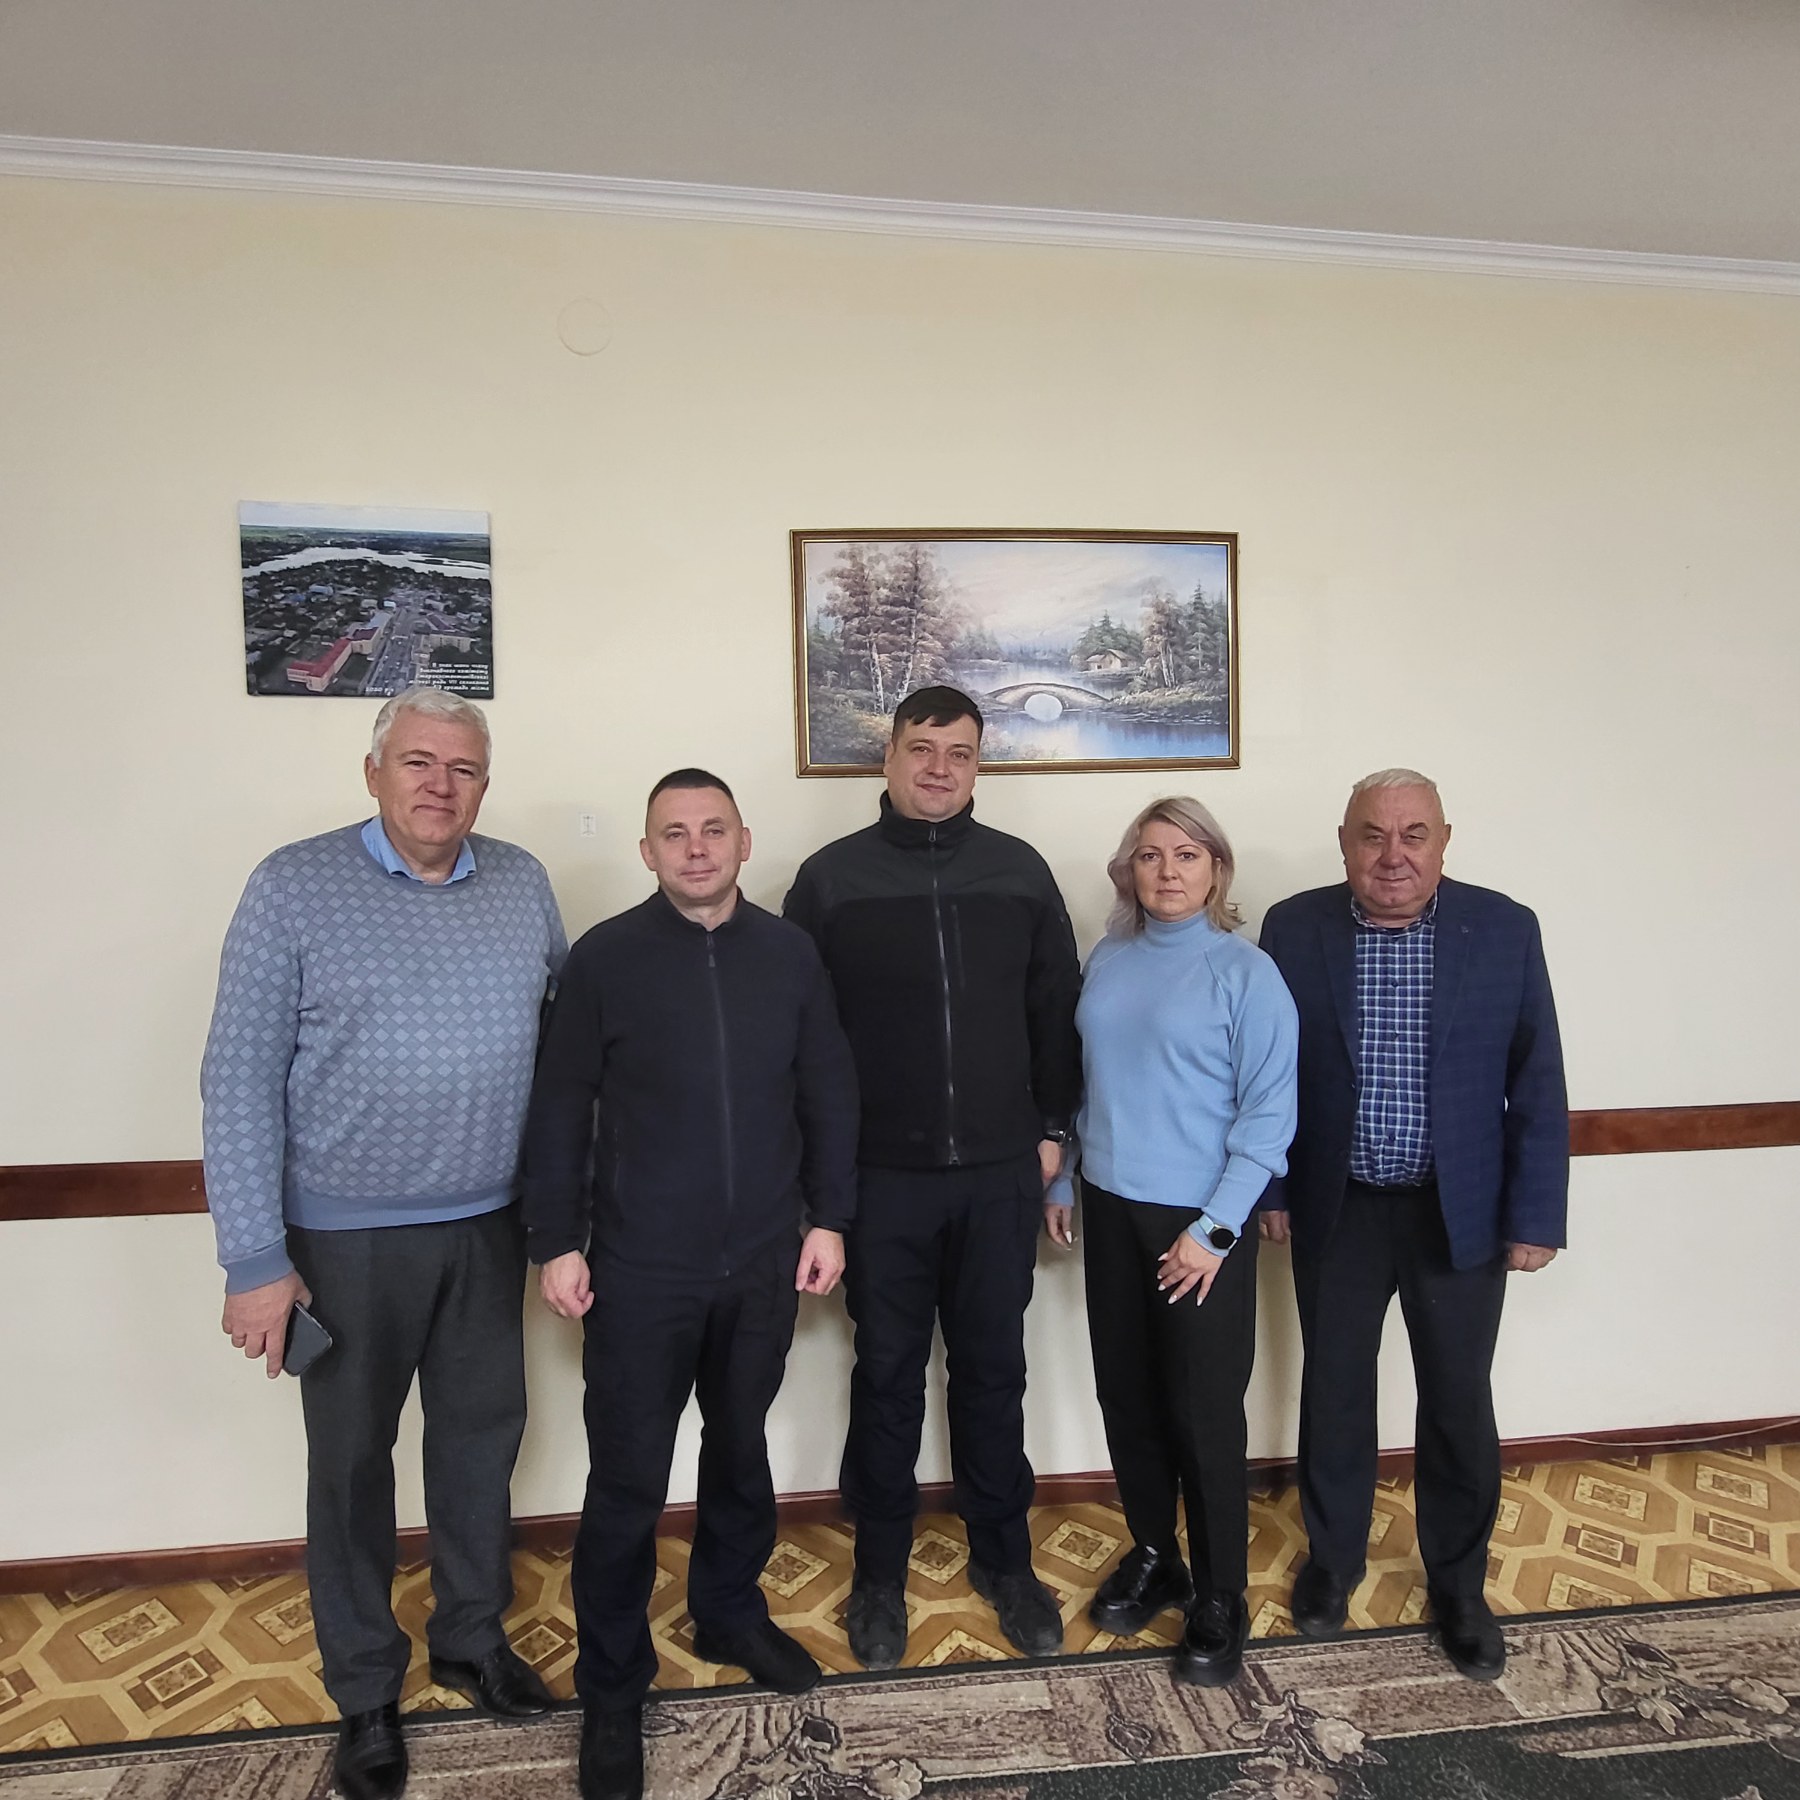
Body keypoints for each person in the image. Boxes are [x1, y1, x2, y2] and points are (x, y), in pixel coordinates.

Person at [200, 687, 567, 1800]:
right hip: (343, 1240)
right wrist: (255, 1260)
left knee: (479, 1447)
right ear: (374, 773)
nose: (439, 786)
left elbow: (565, 1050)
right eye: (417, 763)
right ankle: (365, 1688)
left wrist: (568, 1217)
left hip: (490, 1227)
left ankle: (470, 1638)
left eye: (463, 769)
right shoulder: (291, 884)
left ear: (485, 785)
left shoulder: (522, 883)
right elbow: (236, 1079)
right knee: (352, 1466)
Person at [523, 770, 859, 1800]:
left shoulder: (790, 954)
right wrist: (556, 1241)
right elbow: (561, 1103)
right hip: (639, 1271)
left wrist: (830, 1218)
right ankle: (612, 1686)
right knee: (627, 1482)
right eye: (675, 833)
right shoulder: (605, 959)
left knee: (741, 1451)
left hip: (761, 1262)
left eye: (714, 830)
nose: (697, 848)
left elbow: (828, 1090)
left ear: (744, 842)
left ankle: (727, 1612)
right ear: (648, 852)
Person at [784, 686, 1082, 1669]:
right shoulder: (830, 880)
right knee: (886, 1378)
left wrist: (1052, 1129)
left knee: (994, 1374)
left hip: (999, 1175)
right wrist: (820, 1181)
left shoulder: (1020, 871)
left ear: (978, 763)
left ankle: (1006, 1562)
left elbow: (1056, 1008)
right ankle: (879, 1575)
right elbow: (801, 1040)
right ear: (890, 758)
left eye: (959, 751)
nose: (939, 767)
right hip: (882, 1182)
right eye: (922, 748)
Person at [1257, 768, 1567, 1681]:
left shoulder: (1504, 928)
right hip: (1339, 1206)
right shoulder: (1293, 927)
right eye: (1373, 835)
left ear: (1443, 841)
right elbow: (1266, 1073)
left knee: (1459, 1401)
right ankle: (1334, 1562)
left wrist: (1535, 1216)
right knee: (1334, 1391)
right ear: (1344, 842)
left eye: (1413, 835)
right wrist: (1272, 1190)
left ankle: (1459, 1588)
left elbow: (1538, 1079)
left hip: (1457, 1211)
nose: (1393, 855)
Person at [1048, 797, 1297, 1686]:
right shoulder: (1108, 958)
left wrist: (1214, 1233)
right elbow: (1088, 1082)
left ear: (1216, 869)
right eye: (1150, 855)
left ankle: (1221, 1595)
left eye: (1187, 854)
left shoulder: (1247, 974)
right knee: (1128, 1396)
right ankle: (1157, 1553)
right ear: (1129, 870)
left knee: (1203, 1414)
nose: (1167, 871)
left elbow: (1269, 1117)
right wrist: (1063, 1177)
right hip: (1111, 1207)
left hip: (1199, 1226)